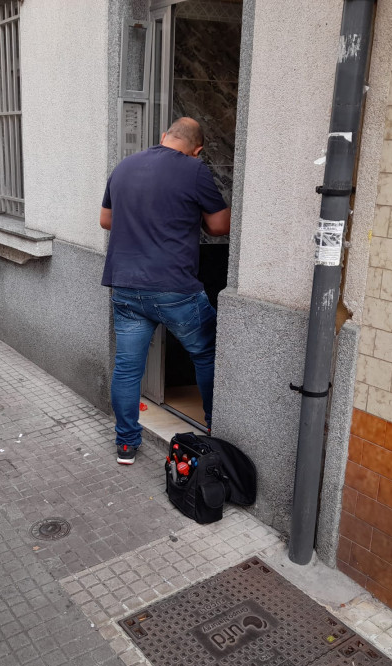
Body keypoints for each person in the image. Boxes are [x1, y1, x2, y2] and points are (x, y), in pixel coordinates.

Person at [99, 117, 231, 465]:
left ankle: (126, 444)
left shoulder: (124, 166)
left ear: (164, 137)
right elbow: (219, 226)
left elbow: (106, 220)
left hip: (126, 286)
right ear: (197, 149)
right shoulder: (195, 170)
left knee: (127, 369)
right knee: (207, 353)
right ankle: (216, 426)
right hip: (175, 289)